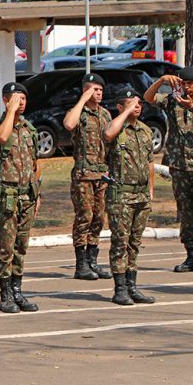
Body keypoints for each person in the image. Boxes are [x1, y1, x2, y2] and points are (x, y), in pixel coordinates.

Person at [143, 66, 193, 274]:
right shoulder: (173, 100)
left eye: (190, 83)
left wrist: (192, 108)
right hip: (179, 166)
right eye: (183, 83)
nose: (186, 87)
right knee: (185, 213)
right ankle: (191, 255)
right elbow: (148, 98)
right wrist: (161, 81)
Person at [0, 82, 41, 314]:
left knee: (21, 245)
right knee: (6, 246)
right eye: (16, 99)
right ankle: (5, 294)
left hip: (27, 195)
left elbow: (35, 164)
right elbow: (1, 137)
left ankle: (17, 290)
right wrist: (10, 111)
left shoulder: (30, 129)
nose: (21, 103)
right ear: (5, 100)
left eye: (24, 99)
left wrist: (37, 193)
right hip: (6, 196)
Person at [103, 90, 156, 306]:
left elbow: (150, 161)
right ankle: (120, 289)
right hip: (121, 195)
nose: (137, 106)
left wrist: (151, 188)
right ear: (120, 107)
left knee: (135, 243)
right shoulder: (116, 128)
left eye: (139, 103)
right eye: (131, 103)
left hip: (141, 194)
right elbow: (108, 134)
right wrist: (125, 113)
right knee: (120, 242)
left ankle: (132, 286)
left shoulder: (145, 130)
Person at [62, 73, 113, 281]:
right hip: (83, 175)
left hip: (102, 175)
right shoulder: (78, 113)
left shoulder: (105, 114)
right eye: (95, 90)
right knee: (85, 216)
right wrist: (83, 100)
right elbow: (69, 125)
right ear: (85, 91)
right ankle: (81, 263)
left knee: (99, 217)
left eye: (101, 90)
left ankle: (92, 260)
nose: (99, 93)